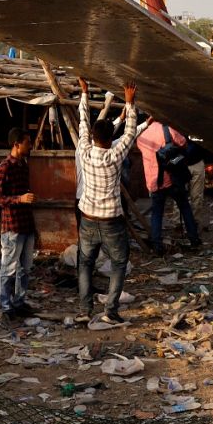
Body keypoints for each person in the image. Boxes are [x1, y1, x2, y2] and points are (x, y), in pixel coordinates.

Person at [73, 78, 142, 327]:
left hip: (88, 219)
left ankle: (84, 310)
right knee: (119, 262)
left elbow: (82, 122)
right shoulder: (115, 155)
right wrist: (130, 102)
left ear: (93, 137)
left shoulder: (84, 150)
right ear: (110, 137)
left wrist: (84, 92)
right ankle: (110, 310)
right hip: (111, 220)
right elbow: (131, 132)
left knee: (85, 263)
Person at [0, 127, 39, 317]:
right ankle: (6, 306)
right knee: (9, 268)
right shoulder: (5, 167)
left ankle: (19, 302)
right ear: (16, 144)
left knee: (25, 269)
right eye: (27, 142)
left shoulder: (23, 165)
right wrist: (19, 199)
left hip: (26, 225)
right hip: (12, 226)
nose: (30, 146)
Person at [136, 118, 201, 253]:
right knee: (185, 207)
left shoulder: (142, 135)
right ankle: (194, 239)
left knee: (157, 213)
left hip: (154, 181)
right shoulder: (168, 129)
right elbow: (183, 143)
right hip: (173, 178)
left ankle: (157, 246)